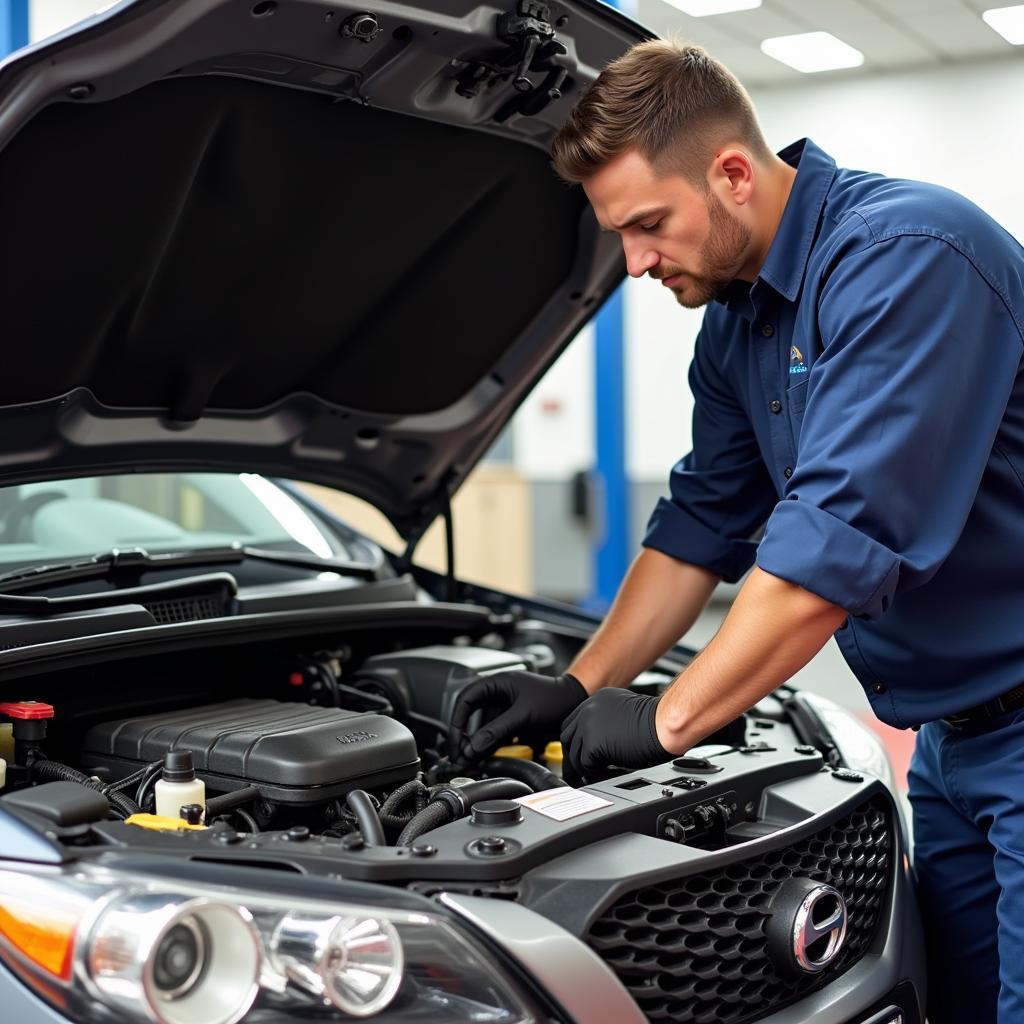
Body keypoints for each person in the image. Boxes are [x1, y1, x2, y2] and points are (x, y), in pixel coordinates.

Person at [447, 39, 1024, 1023]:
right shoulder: (738, 323)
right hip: (950, 743)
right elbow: (700, 526)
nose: (632, 264)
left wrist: (669, 717)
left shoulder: (907, 259)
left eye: (646, 226)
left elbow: (831, 547)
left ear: (730, 173)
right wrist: (581, 685)